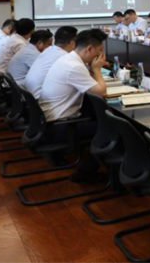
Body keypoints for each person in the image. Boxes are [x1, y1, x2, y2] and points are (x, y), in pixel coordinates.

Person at [39, 29, 108, 181]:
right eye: (100, 50)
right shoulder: (74, 66)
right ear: (89, 49)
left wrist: (92, 69)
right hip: (60, 126)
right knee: (110, 129)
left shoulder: (69, 59)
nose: (101, 54)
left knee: (97, 114)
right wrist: (97, 70)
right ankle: (86, 173)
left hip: (50, 120)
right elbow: (101, 91)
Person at [24, 26, 78, 100]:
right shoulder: (64, 57)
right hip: (39, 99)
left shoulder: (48, 50)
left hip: (30, 97)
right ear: (72, 43)